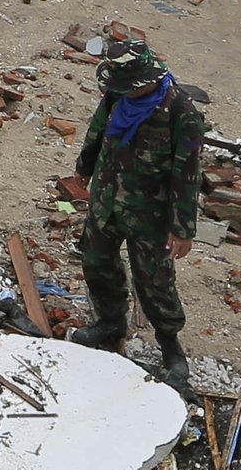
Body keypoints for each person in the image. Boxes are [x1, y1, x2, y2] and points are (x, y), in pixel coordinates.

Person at [69, 37, 207, 391]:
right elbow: (98, 129)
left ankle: (170, 346)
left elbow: (187, 174)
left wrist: (183, 228)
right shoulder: (119, 94)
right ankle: (111, 320)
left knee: (154, 279)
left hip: (150, 212)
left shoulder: (182, 112)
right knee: (96, 260)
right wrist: (84, 166)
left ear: (148, 79)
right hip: (107, 197)